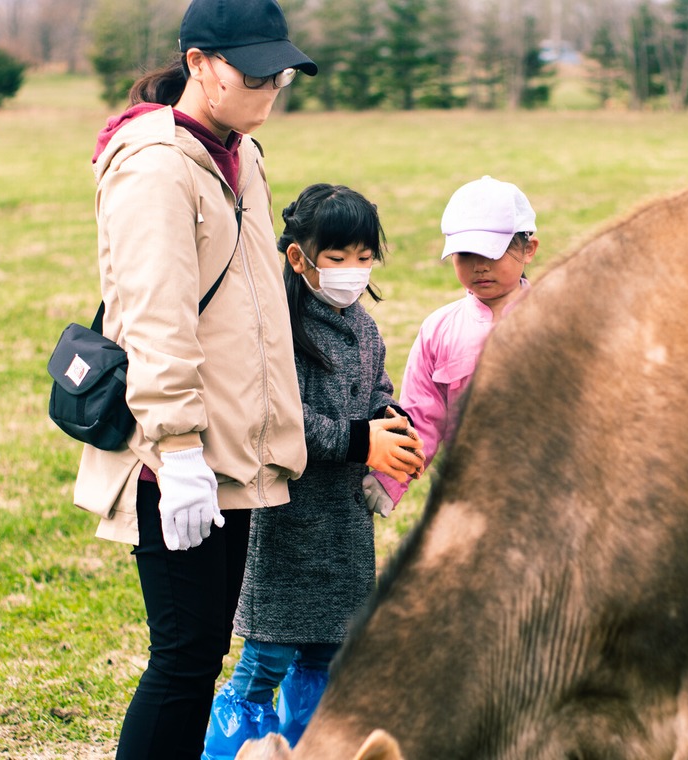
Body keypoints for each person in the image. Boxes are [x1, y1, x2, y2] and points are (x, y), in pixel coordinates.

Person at [70, 0, 316, 757]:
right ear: (200, 64)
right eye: (255, 70)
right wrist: (177, 452)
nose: (272, 84)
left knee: (199, 652)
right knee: (183, 658)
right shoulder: (155, 166)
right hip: (175, 459)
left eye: (282, 71)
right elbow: (155, 317)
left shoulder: (238, 152)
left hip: (228, 449)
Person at [201, 184, 425, 758]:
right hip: (289, 519)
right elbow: (282, 424)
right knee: (268, 655)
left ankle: (312, 745)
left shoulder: (366, 329)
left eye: (363, 256)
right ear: (300, 259)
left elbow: (377, 391)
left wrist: (391, 423)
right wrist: (361, 441)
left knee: (329, 650)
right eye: (337, 258)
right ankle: (233, 750)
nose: (352, 271)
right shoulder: (281, 333)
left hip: (344, 525)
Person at [362, 175, 539, 516]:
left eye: (492, 252)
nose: (479, 266)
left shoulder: (558, 317)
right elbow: (420, 419)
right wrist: (390, 479)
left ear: (528, 249)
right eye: (465, 254)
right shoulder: (439, 330)